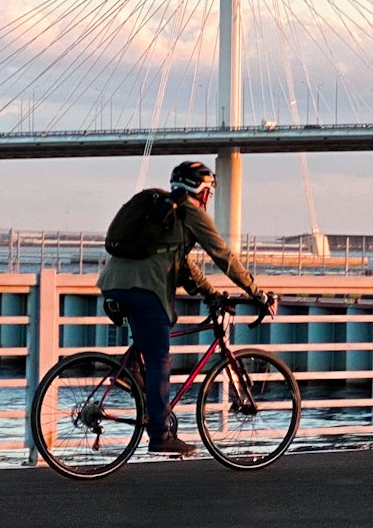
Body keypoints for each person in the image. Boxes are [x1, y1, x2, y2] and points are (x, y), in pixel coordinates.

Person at [98, 161, 273, 457]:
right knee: (160, 362)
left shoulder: (168, 213)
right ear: (202, 191)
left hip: (114, 283)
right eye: (208, 192)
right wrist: (256, 293)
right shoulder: (190, 211)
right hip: (144, 290)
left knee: (147, 353)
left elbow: (182, 265)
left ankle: (132, 375)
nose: (208, 199)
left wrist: (211, 294)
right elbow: (223, 255)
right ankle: (160, 435)